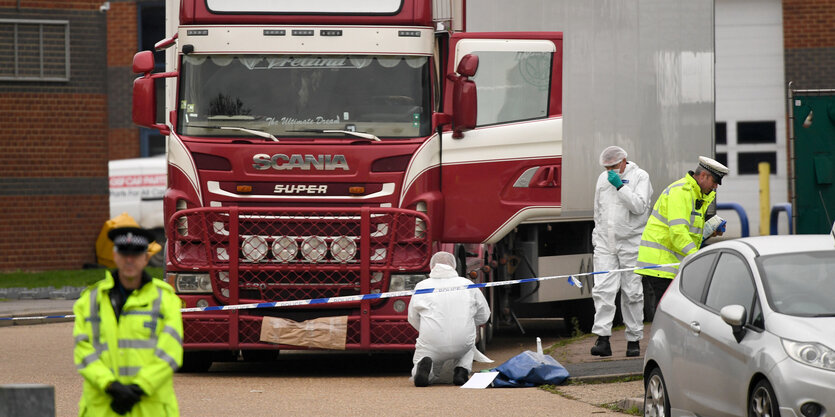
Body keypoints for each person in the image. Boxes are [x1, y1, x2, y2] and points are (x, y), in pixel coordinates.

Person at [73, 226, 183, 416]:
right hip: (104, 408)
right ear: (115, 256)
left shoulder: (165, 299)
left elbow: (170, 352)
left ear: (146, 258)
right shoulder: (90, 300)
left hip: (149, 408)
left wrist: (140, 387)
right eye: (124, 253)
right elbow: (84, 350)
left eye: (136, 253)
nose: (129, 259)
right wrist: (109, 385)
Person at [636, 156, 729, 313]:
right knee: (671, 314)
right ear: (703, 176)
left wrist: (710, 231)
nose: (715, 187)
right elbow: (678, 233)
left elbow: (688, 230)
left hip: (671, 262)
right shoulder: (681, 192)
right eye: (715, 181)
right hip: (661, 264)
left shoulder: (696, 194)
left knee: (675, 313)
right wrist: (698, 258)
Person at [589, 146, 653, 358]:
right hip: (606, 243)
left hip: (631, 243)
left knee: (632, 292)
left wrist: (620, 188)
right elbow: (598, 211)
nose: (610, 171)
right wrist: (598, 238)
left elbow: (639, 206)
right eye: (607, 168)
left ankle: (633, 340)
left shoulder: (640, 176)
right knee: (603, 290)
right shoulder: (602, 179)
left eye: (614, 166)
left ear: (624, 161)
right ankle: (603, 338)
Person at [408, 251, 491, 387]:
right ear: (454, 266)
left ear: (431, 266)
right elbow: (484, 315)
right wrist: (468, 322)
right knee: (469, 346)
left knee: (422, 355)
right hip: (462, 341)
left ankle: (423, 369)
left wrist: (426, 329)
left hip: (432, 341)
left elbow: (412, 317)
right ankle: (462, 370)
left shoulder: (422, 286)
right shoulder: (467, 284)